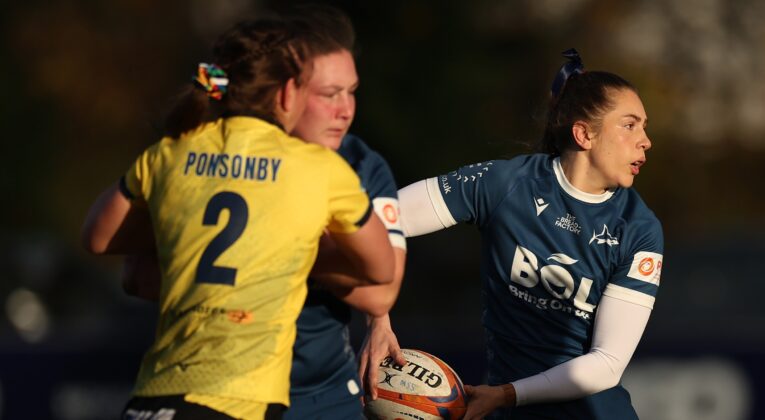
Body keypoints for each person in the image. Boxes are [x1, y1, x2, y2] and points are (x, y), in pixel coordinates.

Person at [81, 16, 395, 420]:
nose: (344, 108)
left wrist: (178, 228)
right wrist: (288, 248)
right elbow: (382, 268)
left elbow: (99, 239)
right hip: (238, 399)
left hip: (153, 395)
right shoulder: (317, 168)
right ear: (286, 93)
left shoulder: (171, 150)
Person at [361, 49, 664, 419]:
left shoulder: (639, 228)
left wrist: (506, 395)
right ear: (584, 134)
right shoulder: (504, 185)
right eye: (630, 125)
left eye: (644, 127)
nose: (646, 140)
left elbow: (608, 364)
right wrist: (378, 318)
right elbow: (377, 222)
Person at [281, 7, 407, 420]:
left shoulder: (362, 163)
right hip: (230, 388)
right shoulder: (237, 156)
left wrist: (286, 246)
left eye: (351, 91)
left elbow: (381, 292)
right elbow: (131, 269)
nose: (346, 109)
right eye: (329, 94)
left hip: (325, 392)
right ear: (285, 92)